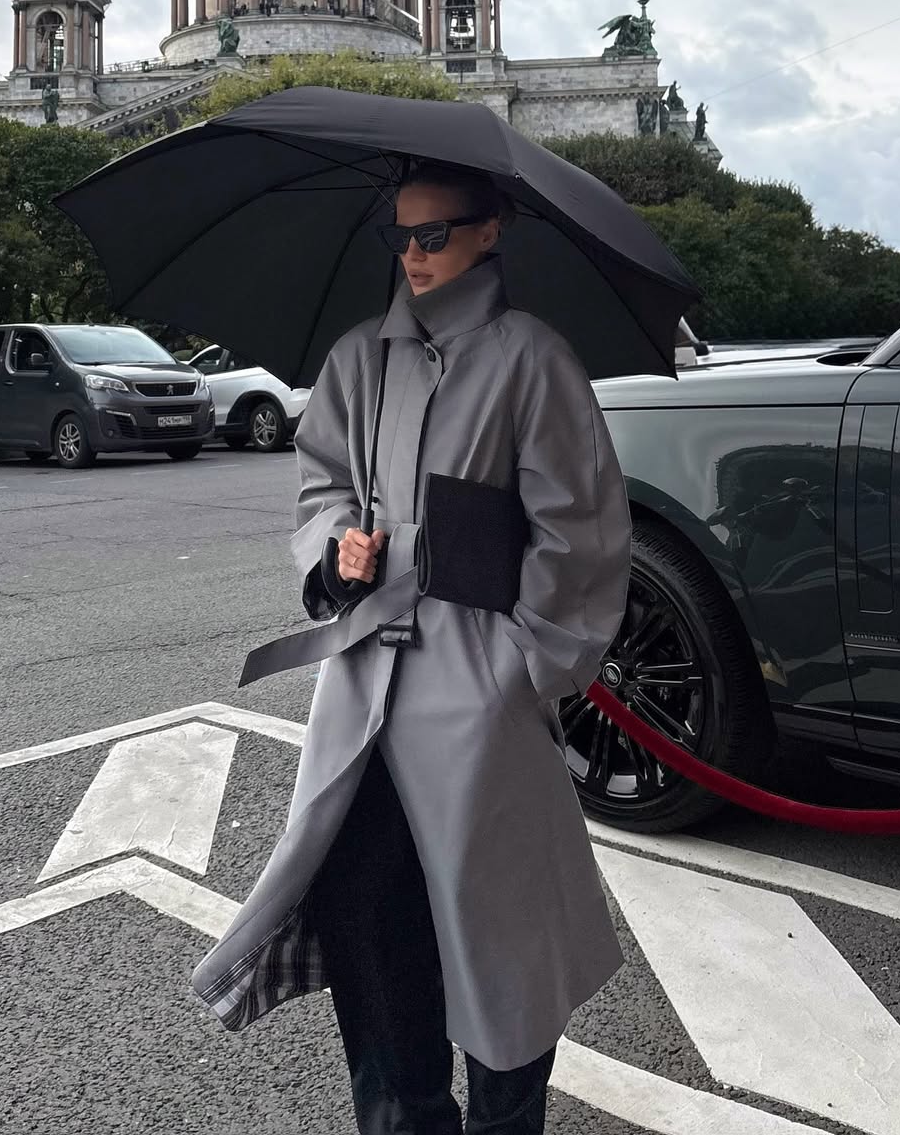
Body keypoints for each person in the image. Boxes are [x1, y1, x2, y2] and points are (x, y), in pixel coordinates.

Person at [193, 163, 632, 1135]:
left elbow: (586, 535)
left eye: (435, 234)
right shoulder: (360, 360)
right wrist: (336, 551)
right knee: (375, 949)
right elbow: (320, 491)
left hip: (481, 709)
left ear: (492, 232)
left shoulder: (533, 362)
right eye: (403, 235)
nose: (414, 253)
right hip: (364, 699)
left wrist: (524, 667)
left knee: (502, 961)